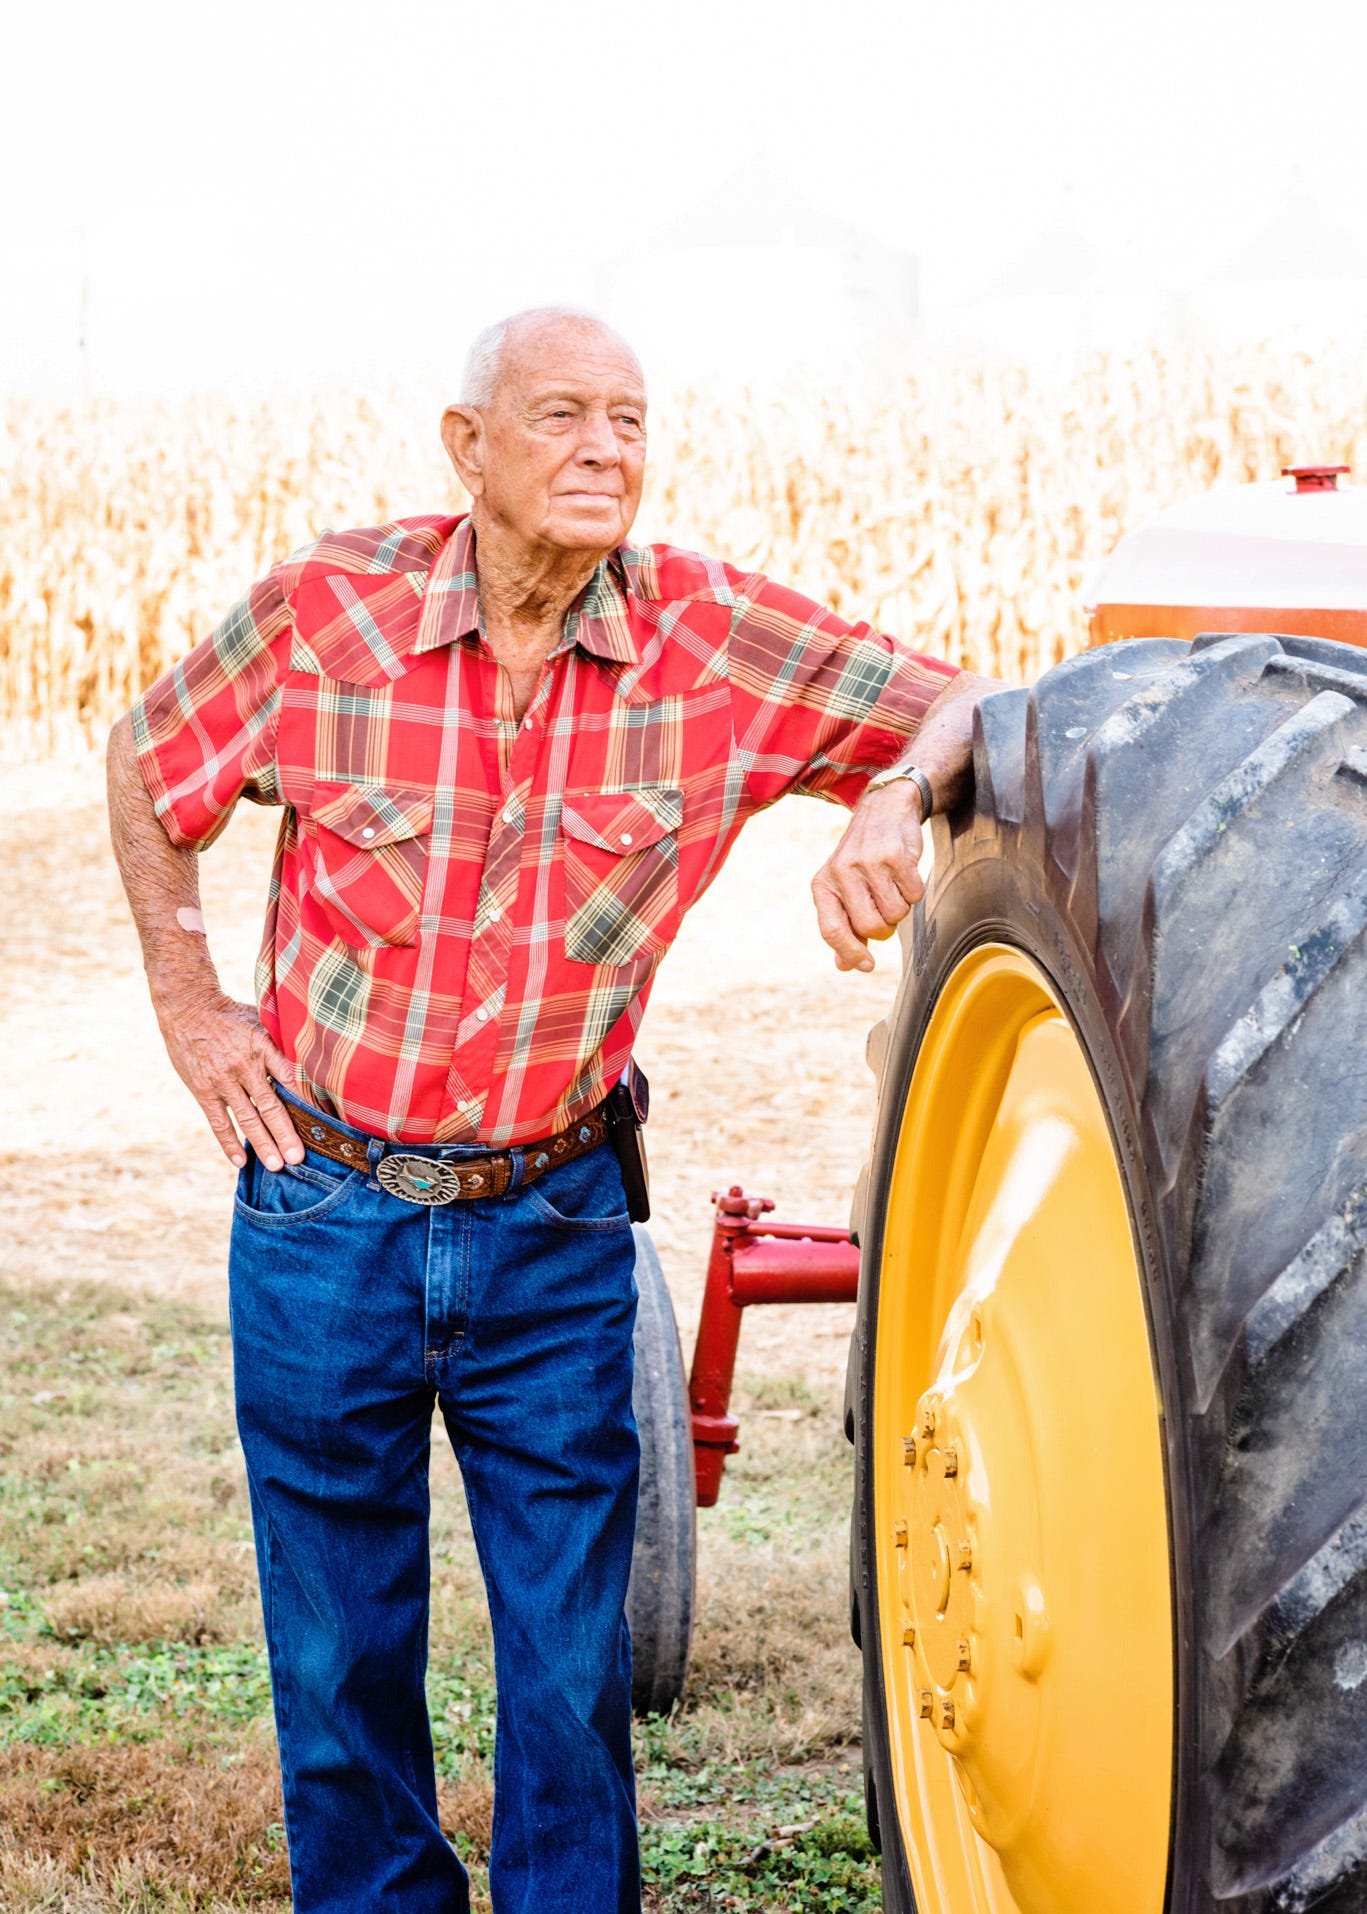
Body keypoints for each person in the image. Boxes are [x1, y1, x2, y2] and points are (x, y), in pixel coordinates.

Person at [106, 306, 998, 1914]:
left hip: (556, 1222)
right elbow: (148, 760)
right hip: (324, 1208)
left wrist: (891, 790)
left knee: (573, 1669)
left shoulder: (709, 638)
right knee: (335, 1653)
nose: (606, 451)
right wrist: (189, 998)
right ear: (468, 446)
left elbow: (972, 701)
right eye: (565, 416)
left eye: (631, 421)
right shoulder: (330, 609)